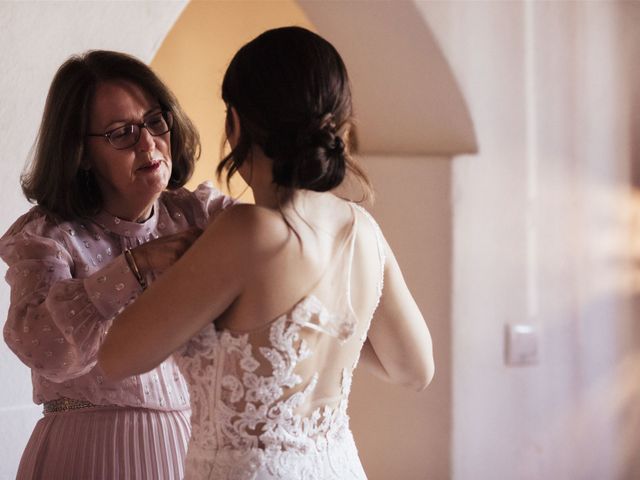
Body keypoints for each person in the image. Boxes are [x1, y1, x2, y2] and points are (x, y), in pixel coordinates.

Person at [98, 26, 434, 479]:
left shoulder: (247, 231)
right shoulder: (362, 231)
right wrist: (334, 327)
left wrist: (148, 265)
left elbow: (117, 357)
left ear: (234, 122)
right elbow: (415, 369)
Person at [0, 50, 234, 479]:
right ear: (82, 153)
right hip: (87, 452)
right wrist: (134, 267)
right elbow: (45, 351)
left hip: (190, 448)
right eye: (121, 133)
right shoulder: (47, 237)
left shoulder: (200, 214)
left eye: (154, 121)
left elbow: (274, 247)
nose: (148, 143)